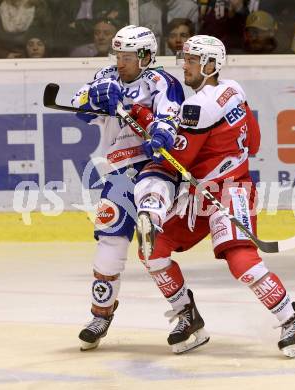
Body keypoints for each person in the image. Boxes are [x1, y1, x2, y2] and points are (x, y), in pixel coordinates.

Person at [131, 34, 295, 357]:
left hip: (231, 192)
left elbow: (179, 160)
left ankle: (292, 321)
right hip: (204, 193)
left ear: (211, 64)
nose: (184, 66)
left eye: (190, 60)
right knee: (153, 249)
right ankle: (187, 317)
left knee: (242, 261)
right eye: (183, 59)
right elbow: (253, 143)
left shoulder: (198, 106)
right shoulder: (233, 91)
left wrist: (145, 124)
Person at [71, 25, 185, 351]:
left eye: (128, 57)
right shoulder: (107, 75)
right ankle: (100, 314)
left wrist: (160, 135)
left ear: (147, 56)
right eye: (118, 55)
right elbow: (77, 106)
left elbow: (170, 117)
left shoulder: (161, 81)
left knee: (152, 247)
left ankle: (184, 311)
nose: (120, 62)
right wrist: (93, 99)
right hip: (120, 173)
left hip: (155, 170)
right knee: (109, 239)